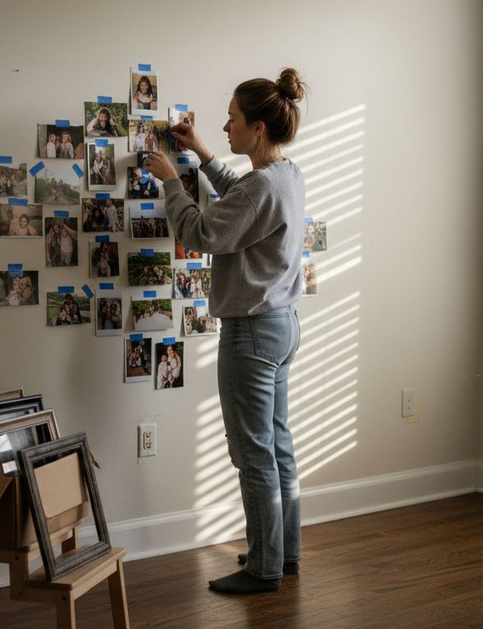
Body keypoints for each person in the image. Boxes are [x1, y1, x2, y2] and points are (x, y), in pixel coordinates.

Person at [144, 68, 308, 594]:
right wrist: (203, 155)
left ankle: (263, 569)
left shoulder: (263, 186)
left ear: (257, 128)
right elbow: (243, 195)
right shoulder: (288, 175)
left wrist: (172, 180)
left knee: (252, 453)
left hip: (252, 335)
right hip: (283, 328)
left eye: (233, 119)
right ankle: (283, 554)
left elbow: (202, 232)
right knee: (277, 448)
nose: (226, 125)